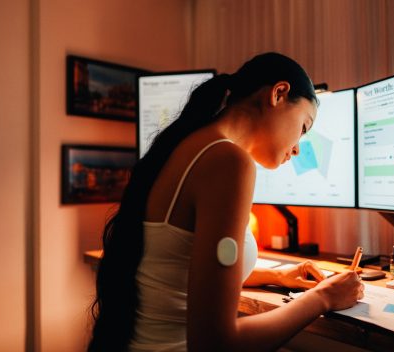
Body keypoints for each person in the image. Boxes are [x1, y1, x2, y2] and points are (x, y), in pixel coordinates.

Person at [88, 52, 364, 352]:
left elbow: (178, 268)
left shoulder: (189, 145)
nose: (297, 149)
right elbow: (218, 344)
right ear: (279, 94)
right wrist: (323, 298)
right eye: (303, 127)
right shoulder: (229, 161)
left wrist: (275, 275)